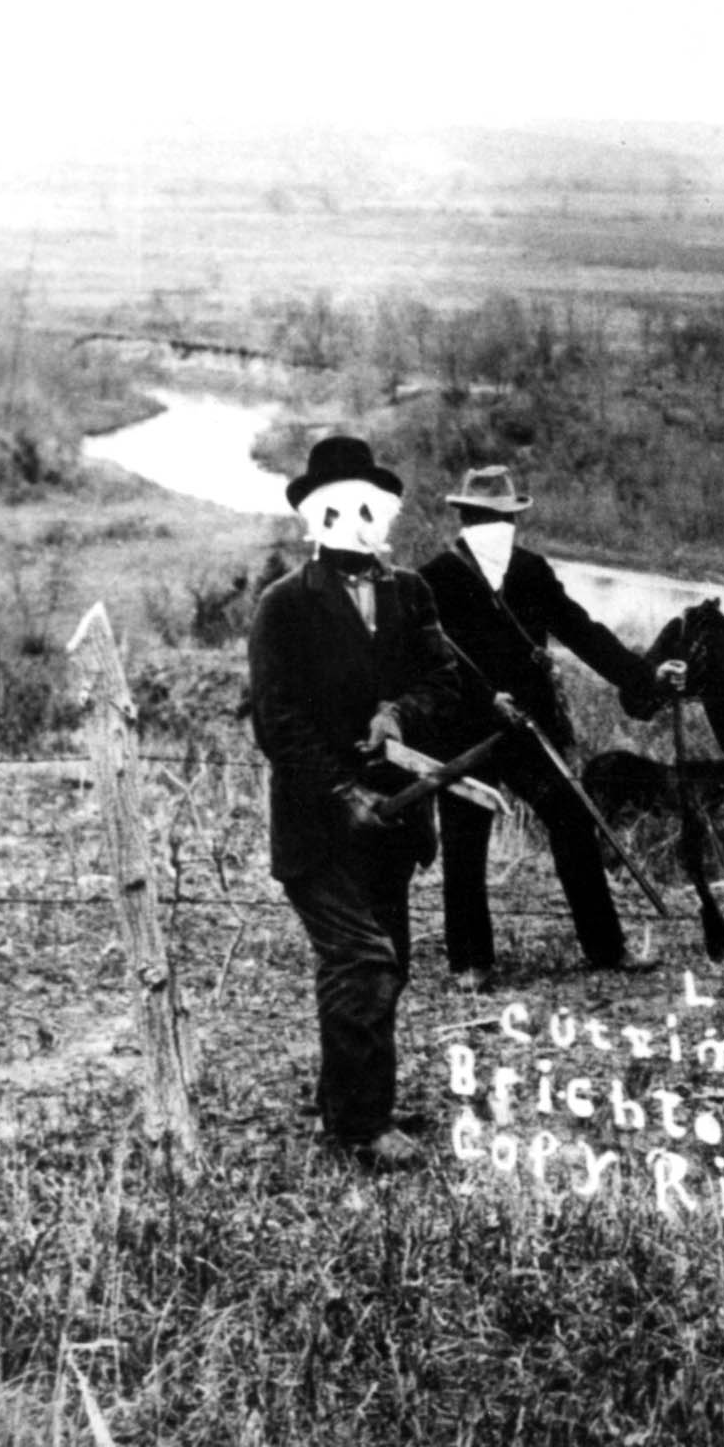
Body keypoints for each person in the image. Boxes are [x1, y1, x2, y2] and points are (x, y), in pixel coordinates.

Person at [249, 435, 464, 1171]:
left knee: (385, 965)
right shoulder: (284, 606)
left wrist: (399, 712)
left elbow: (446, 678)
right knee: (363, 961)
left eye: (376, 507)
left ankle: (349, 1102)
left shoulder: (412, 593)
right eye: (346, 507)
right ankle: (359, 1128)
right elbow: (276, 722)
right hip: (318, 824)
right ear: (319, 516)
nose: (365, 520)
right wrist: (341, 792)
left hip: (394, 816)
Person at [416, 465, 686, 988]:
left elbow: (582, 633)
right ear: (467, 519)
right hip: (467, 734)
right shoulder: (434, 580)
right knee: (465, 840)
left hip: (529, 733)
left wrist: (645, 674)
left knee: (572, 821)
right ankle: (470, 962)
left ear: (515, 519)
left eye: (504, 519)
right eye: (485, 519)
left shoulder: (532, 572)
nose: (497, 528)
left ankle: (606, 950)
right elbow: (430, 662)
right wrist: (484, 698)